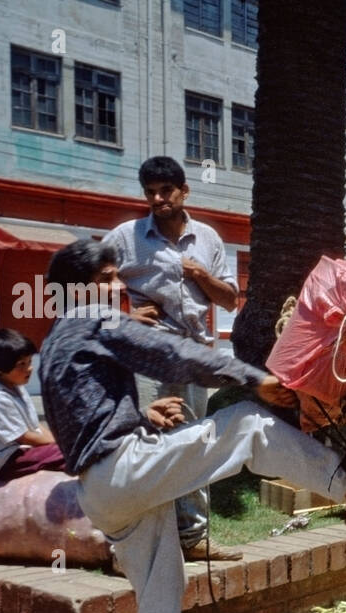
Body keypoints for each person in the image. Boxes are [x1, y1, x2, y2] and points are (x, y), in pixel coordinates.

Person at [38, 239, 346, 613]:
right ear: (79, 290)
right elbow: (173, 351)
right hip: (125, 472)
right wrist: (252, 378)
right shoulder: (95, 320)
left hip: (100, 490)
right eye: (105, 278)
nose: (118, 286)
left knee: (160, 593)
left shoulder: (54, 342)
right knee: (248, 425)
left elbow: (81, 418)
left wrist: (144, 418)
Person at [105, 156, 242, 562]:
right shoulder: (125, 237)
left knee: (193, 444)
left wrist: (200, 275)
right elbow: (75, 285)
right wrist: (122, 315)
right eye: (150, 192)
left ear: (185, 191)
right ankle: (129, 543)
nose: (158, 199)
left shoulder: (209, 240)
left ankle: (193, 537)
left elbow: (231, 300)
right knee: (141, 443)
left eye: (166, 191)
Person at [0, 329, 66, 480]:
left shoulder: (17, 388)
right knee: (69, 455)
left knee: (70, 450)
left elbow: (35, 426)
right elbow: (25, 437)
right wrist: (63, 445)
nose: (29, 368)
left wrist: (61, 441)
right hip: (9, 461)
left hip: (27, 452)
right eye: (21, 364)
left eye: (30, 362)